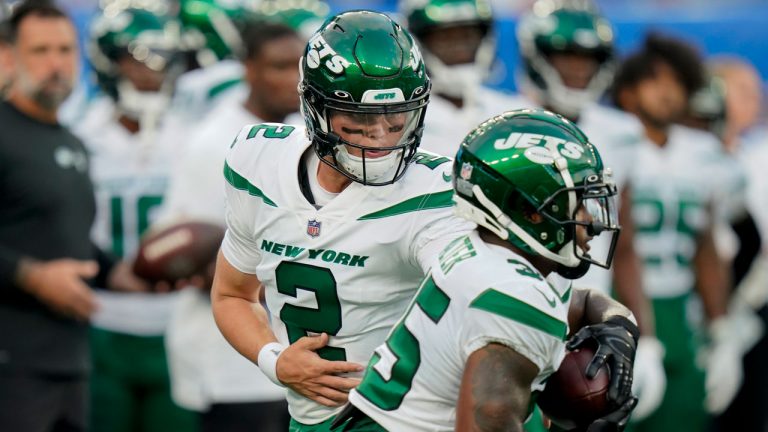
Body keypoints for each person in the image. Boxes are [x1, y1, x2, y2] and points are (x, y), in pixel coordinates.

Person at [210, 10, 476, 430]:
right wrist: (274, 360)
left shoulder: (432, 193)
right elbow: (233, 295)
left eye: (396, 121)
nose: (381, 139)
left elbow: (488, 298)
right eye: (361, 122)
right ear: (315, 108)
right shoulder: (256, 161)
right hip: (311, 420)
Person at [338, 108, 639, 432]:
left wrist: (621, 328)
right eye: (577, 202)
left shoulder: (487, 256)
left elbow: (580, 302)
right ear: (532, 212)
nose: (592, 223)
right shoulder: (516, 297)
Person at [513, 1, 665, 421]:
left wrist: (645, 337)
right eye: (565, 57)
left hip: (591, 323)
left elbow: (625, 241)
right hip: (513, 313)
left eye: (587, 59)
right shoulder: (502, 126)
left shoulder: (621, 132)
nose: (577, 70)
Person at [0, 2, 143, 431]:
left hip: (69, 361)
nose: (55, 64)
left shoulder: (72, 142)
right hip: (11, 365)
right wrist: (30, 276)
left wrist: (123, 274)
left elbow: (67, 239)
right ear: (8, 56)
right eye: (40, 50)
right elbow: (37, 263)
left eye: (65, 50)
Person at [160, 21, 305, 432]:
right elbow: (189, 253)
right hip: (233, 364)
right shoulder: (215, 142)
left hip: (294, 358)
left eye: (299, 67)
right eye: (279, 67)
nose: (294, 80)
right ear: (248, 70)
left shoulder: (303, 134)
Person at [612, 33, 755, 432]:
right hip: (617, 302)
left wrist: (721, 327)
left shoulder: (702, 153)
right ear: (628, 91)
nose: (667, 92)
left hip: (680, 307)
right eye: (655, 80)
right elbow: (623, 245)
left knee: (685, 416)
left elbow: (707, 246)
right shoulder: (612, 140)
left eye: (676, 82)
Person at [72, 7, 198, 432]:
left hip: (174, 323)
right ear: (109, 61)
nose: (150, 74)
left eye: (162, 61)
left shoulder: (191, 137)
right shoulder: (81, 137)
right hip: (101, 320)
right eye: (137, 59)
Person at [400, 0, 523, 156]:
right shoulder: (401, 119)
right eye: (445, 38)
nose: (460, 49)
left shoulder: (515, 111)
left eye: (468, 36)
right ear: (419, 43)